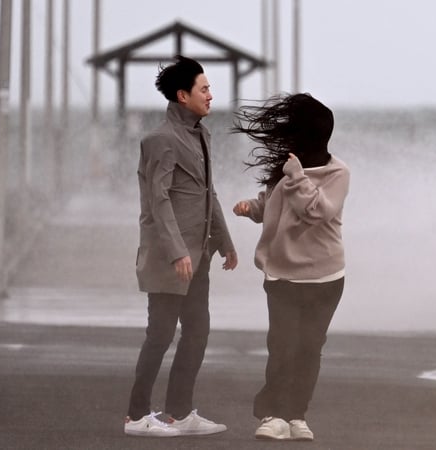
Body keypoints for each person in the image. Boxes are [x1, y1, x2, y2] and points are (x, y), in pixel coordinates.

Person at [124, 55, 238, 438]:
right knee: (159, 334)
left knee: (197, 331)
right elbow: (159, 202)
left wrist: (225, 243)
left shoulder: (201, 134)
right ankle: (136, 417)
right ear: (182, 95)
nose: (210, 95)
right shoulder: (160, 141)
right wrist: (176, 251)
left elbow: (208, 194)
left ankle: (178, 412)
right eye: (204, 89)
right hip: (169, 258)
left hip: (198, 255)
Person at [232, 93, 350, 441]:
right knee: (282, 346)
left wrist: (296, 176)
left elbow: (316, 212)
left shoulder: (337, 173)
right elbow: (274, 206)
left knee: (309, 348)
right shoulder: (286, 169)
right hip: (282, 275)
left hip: (326, 277)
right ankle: (273, 415)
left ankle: (296, 415)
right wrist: (251, 208)